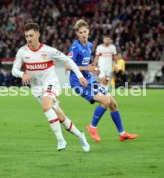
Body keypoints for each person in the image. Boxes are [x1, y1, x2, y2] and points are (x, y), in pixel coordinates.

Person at [12, 23, 90, 152]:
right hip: (37, 89)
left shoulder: (48, 51)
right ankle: (80, 135)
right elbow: (14, 70)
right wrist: (22, 74)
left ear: (38, 34)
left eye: (31, 35)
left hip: (51, 83)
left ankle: (60, 140)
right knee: (61, 117)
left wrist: (80, 76)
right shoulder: (22, 52)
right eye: (26, 36)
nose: (29, 39)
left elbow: (68, 60)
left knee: (46, 106)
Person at [67, 19, 138, 142]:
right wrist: (87, 68)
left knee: (113, 103)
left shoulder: (89, 45)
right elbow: (68, 66)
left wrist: (93, 69)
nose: (83, 34)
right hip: (78, 82)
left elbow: (85, 64)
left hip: (89, 79)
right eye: (81, 32)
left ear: (88, 31)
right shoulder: (75, 47)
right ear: (77, 34)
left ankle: (122, 133)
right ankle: (92, 126)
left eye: (85, 31)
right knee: (105, 101)